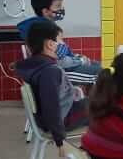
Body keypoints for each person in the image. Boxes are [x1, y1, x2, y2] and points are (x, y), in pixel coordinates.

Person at [15, 21, 91, 151]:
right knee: (105, 106)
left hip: (48, 118)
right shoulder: (50, 71)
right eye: (61, 40)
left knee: (97, 104)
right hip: (63, 119)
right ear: (50, 44)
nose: (63, 45)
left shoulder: (34, 65)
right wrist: (60, 140)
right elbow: (51, 106)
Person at [16, 0, 101, 79]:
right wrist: (80, 61)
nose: (61, 9)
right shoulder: (46, 31)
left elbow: (63, 55)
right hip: (59, 73)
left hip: (63, 67)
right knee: (101, 74)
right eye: (58, 6)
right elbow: (61, 62)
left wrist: (77, 58)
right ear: (46, 11)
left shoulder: (40, 27)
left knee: (99, 66)